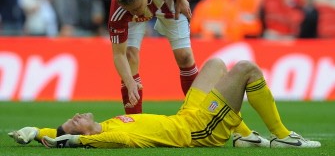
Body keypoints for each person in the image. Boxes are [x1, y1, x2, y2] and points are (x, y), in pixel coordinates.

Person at [8, 58, 321, 148]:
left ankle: (243, 135)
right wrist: (70, 139)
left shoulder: (114, 122)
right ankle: (282, 137)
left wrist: (36, 130)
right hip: (198, 130)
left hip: (186, 114)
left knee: (214, 64)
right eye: (75, 121)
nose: (76, 116)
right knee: (246, 70)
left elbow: (57, 131)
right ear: (86, 134)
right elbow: (89, 140)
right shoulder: (117, 136)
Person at [108, 0, 198, 114]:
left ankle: (198, 114)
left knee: (185, 56)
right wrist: (129, 82)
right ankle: (135, 124)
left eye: (136, 9)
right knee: (130, 56)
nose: (135, 14)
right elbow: (118, 54)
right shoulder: (120, 9)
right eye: (130, 11)